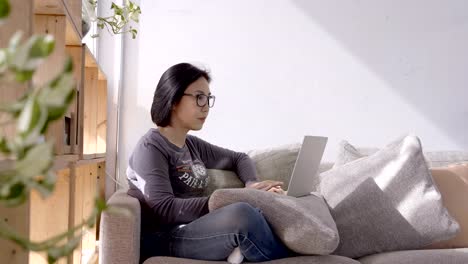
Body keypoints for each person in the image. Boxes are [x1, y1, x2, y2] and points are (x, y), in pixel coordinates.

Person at [127, 63, 293, 263]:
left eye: (208, 98)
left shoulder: (192, 145)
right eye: (199, 97)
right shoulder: (151, 147)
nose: (205, 106)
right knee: (243, 214)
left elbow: (239, 158)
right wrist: (231, 199)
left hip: (197, 228)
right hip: (166, 238)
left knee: (257, 210)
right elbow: (164, 208)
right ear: (173, 100)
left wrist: (251, 184)